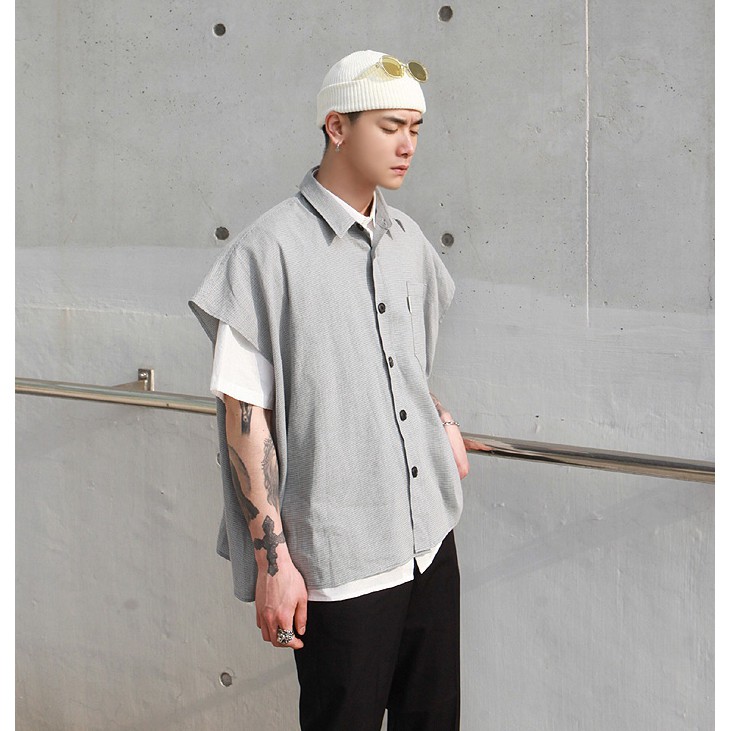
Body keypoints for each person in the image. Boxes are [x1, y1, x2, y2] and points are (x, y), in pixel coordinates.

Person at [189, 49, 470, 731]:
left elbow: (399, 366)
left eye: (415, 128)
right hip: (340, 564)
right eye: (389, 126)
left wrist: (439, 417)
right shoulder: (267, 253)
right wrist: (273, 563)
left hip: (428, 543)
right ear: (336, 126)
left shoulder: (407, 241)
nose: (407, 144)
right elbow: (243, 417)